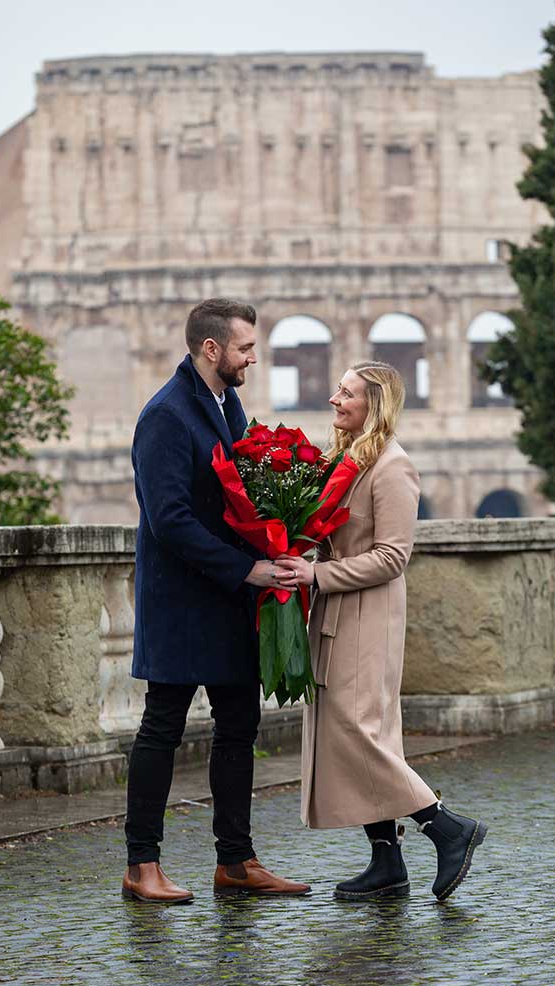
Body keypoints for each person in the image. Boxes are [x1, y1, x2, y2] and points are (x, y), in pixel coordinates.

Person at [276, 362, 487, 902]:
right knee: (364, 733)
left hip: (367, 618)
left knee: (359, 733)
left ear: (375, 404)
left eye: (345, 393)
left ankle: (446, 828)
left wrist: (317, 572)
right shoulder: (348, 460)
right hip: (338, 614)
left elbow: (393, 557)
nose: (333, 399)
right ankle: (386, 864)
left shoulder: (392, 467)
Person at [122, 298, 310, 903]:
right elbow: (170, 520)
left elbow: (243, 495)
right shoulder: (166, 416)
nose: (252, 358)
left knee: (238, 728)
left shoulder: (228, 405)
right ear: (212, 349)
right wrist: (247, 569)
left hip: (229, 600)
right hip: (182, 601)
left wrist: (277, 543)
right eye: (245, 348)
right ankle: (141, 865)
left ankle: (236, 861)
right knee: (161, 729)